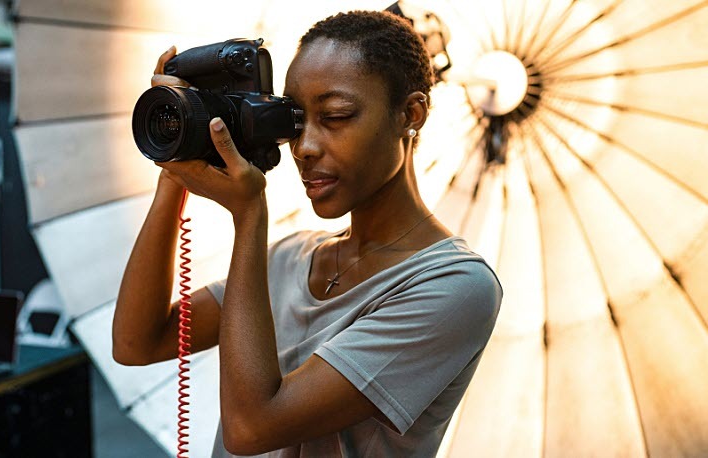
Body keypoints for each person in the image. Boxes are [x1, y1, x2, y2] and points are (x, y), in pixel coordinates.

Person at [113, 10, 502, 457]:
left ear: (410, 114)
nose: (305, 147)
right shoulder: (291, 258)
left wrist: (248, 216)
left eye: (336, 116)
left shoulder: (454, 288)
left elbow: (251, 429)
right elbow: (136, 342)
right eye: (295, 120)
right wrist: (176, 167)